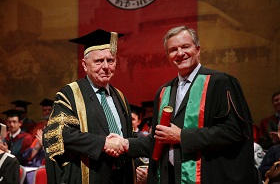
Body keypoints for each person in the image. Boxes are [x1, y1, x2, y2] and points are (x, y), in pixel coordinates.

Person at [127, 26, 259, 183]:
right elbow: (157, 139)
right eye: (173, 50)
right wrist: (124, 144)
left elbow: (235, 132)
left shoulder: (220, 83)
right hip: (171, 178)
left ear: (198, 49)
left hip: (209, 175)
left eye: (185, 46)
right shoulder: (164, 91)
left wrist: (182, 136)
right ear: (168, 56)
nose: (180, 53)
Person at [43, 29, 134, 184]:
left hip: (121, 176)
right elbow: (60, 134)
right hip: (89, 174)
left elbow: (128, 136)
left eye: (110, 60)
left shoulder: (120, 97)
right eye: (98, 61)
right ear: (85, 65)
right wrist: (103, 143)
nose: (105, 66)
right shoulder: (70, 94)